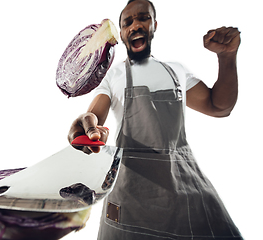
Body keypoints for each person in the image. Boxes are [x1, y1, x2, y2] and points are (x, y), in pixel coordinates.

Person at [67, 0, 243, 239]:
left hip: (186, 185)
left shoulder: (176, 70)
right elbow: (94, 117)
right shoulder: (114, 75)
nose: (135, 25)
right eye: (128, 22)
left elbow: (219, 107)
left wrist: (227, 57)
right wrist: (87, 126)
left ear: (154, 25)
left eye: (143, 18)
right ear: (121, 33)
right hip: (131, 192)